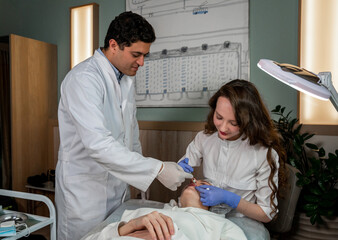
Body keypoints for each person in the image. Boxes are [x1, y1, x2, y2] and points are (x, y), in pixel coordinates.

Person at [55, 11, 192, 240]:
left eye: (145, 55)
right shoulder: (83, 79)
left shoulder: (125, 79)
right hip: (85, 193)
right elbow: (98, 145)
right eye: (136, 54)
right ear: (114, 44)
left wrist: (140, 182)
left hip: (117, 189)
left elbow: (131, 136)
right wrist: (156, 170)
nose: (141, 62)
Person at [178, 79, 287, 240]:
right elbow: (186, 163)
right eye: (219, 117)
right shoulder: (205, 138)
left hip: (242, 221)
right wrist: (180, 168)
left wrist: (230, 199)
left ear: (249, 120)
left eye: (233, 123)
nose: (222, 128)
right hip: (205, 216)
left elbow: (267, 213)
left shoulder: (263, 154)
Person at [83, 179, 248, 240]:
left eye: (204, 185)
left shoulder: (220, 224)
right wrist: (131, 226)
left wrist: (173, 234)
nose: (195, 180)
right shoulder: (144, 214)